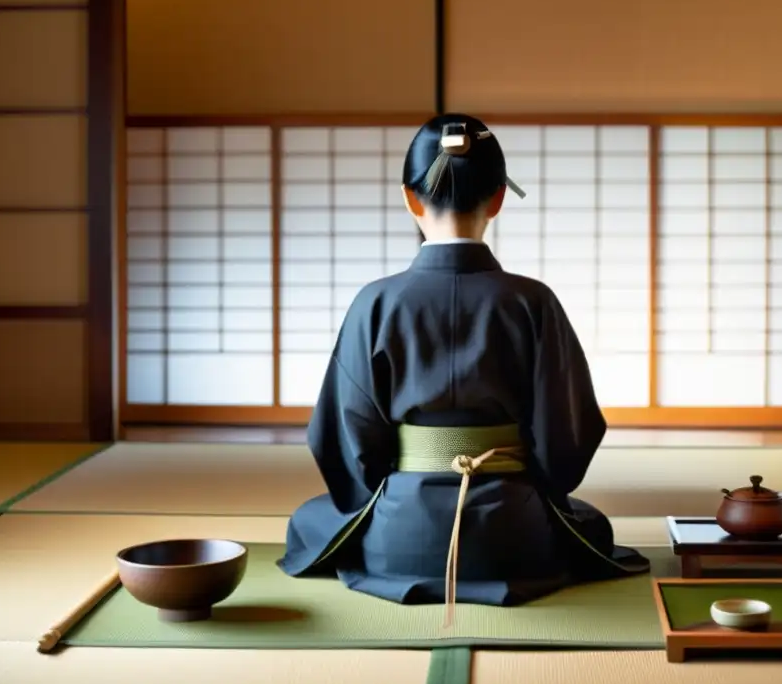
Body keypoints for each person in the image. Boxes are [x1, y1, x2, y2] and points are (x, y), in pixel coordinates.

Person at [277, 113, 649, 624]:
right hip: (515, 538)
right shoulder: (533, 302)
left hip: (398, 538)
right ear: (498, 199)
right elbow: (566, 437)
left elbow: (344, 438)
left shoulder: (375, 302)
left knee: (310, 522)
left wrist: (388, 491)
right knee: (591, 527)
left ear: (410, 199)